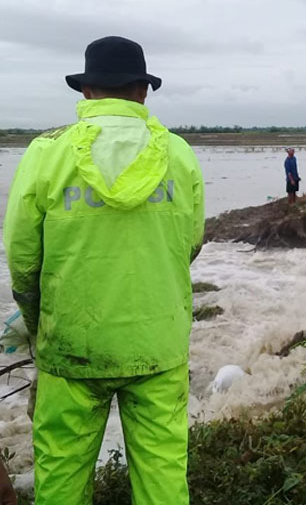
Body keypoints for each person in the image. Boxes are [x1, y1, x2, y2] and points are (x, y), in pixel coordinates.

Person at [3, 36, 204, 505]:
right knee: (163, 481)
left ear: (87, 91)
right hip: (158, 343)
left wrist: (37, 326)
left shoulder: (45, 153)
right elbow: (190, 244)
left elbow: (23, 258)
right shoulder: (179, 154)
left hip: (72, 346)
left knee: (62, 478)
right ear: (143, 91)